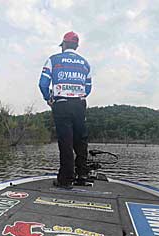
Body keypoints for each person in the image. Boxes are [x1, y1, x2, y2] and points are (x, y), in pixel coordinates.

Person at [38, 31, 92, 189]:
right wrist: (78, 96)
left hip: (61, 103)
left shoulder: (53, 60)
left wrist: (48, 98)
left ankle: (66, 180)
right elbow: (88, 88)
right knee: (81, 141)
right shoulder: (85, 63)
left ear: (65, 45)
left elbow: (43, 84)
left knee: (66, 142)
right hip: (79, 104)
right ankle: (82, 175)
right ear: (76, 46)